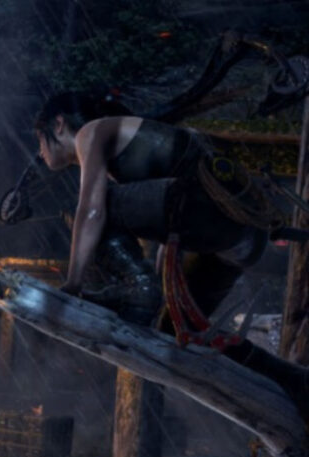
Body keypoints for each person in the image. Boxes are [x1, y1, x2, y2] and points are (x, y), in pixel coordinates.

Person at [32, 92, 307, 413]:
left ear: (59, 123)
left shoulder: (91, 132)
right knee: (176, 338)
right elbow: (167, 216)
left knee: (86, 208)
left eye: (39, 139)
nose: (39, 152)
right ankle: (290, 381)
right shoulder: (128, 145)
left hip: (207, 209)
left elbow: (92, 212)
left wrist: (73, 283)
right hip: (240, 237)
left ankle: (138, 294)